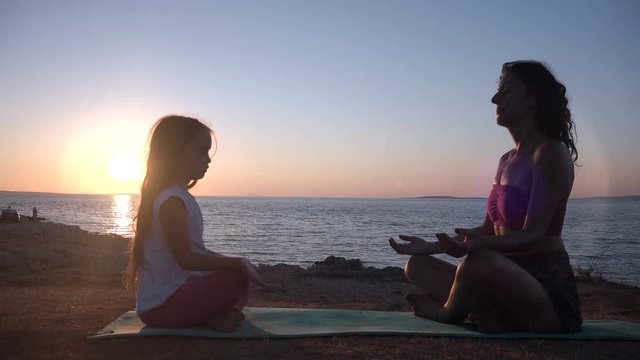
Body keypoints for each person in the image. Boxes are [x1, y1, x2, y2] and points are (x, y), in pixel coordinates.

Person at [389, 60, 582, 333]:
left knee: (478, 261)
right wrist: (431, 246)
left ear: (532, 98)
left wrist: (476, 248)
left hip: (544, 290)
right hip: (499, 277)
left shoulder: (550, 153)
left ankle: (448, 314)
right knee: (417, 266)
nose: (494, 99)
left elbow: (535, 234)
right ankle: (492, 314)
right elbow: (486, 231)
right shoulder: (506, 160)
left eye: (506, 91)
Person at [123, 115, 267, 332]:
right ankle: (212, 317)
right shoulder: (172, 201)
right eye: (202, 152)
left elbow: (191, 250)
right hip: (160, 308)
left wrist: (236, 261)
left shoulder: (178, 196)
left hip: (171, 301)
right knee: (236, 277)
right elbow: (186, 259)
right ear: (174, 153)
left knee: (244, 271)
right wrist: (235, 263)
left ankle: (214, 316)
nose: (208, 160)